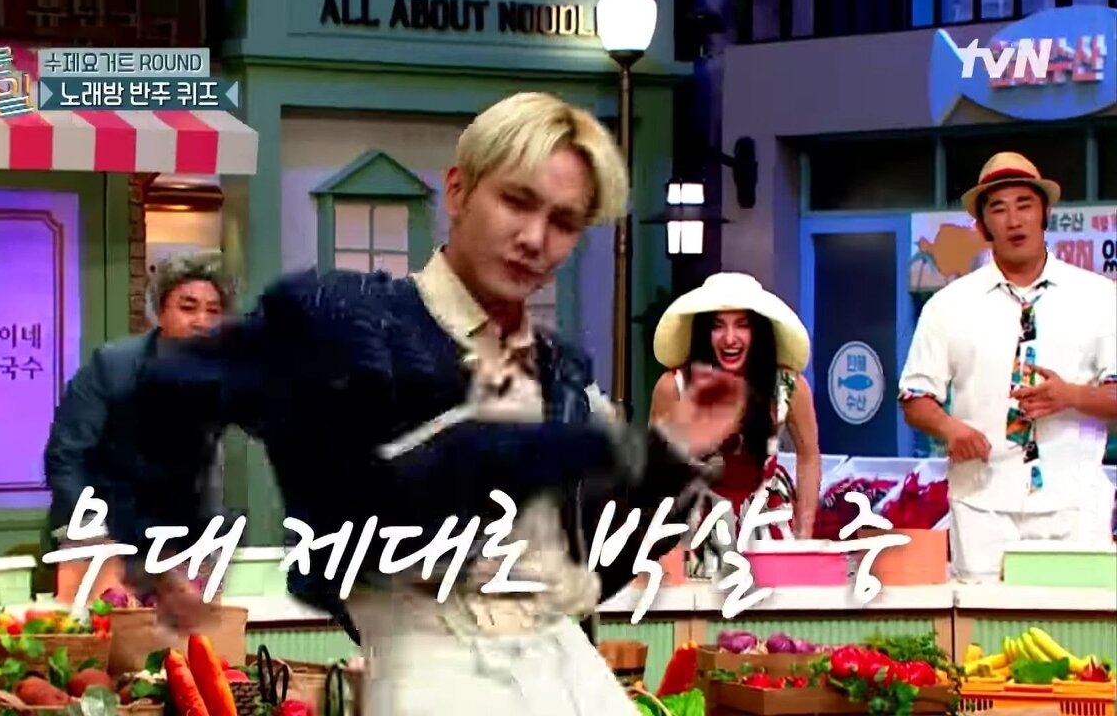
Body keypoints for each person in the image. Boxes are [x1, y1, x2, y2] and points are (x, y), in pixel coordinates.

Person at [138, 92, 746, 715]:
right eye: (516, 201)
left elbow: (587, 575)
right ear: (457, 192)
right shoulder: (346, 319)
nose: (534, 238)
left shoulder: (561, 373)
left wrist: (672, 456)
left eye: (564, 222)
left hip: (571, 677)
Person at [899, 152, 1117, 582]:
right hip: (982, 508)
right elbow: (914, 397)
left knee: (1077, 622)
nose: (1014, 220)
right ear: (982, 226)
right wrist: (950, 428)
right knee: (983, 621)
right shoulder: (948, 306)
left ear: (1045, 213)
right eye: (998, 209)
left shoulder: (1098, 297)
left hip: (1075, 507)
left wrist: (1072, 395)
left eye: (1025, 205)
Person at [44, 249, 233, 605]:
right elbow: (67, 455)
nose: (202, 321)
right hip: (101, 532)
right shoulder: (111, 366)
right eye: (188, 307)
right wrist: (93, 535)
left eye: (213, 311)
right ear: (160, 312)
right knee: (106, 634)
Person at [650, 273, 820, 542]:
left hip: (768, 527)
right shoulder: (673, 386)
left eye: (742, 325)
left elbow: (808, 456)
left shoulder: (789, 386)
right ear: (704, 332)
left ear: (758, 332)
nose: (730, 338)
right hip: (696, 529)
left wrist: (804, 531)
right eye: (718, 326)